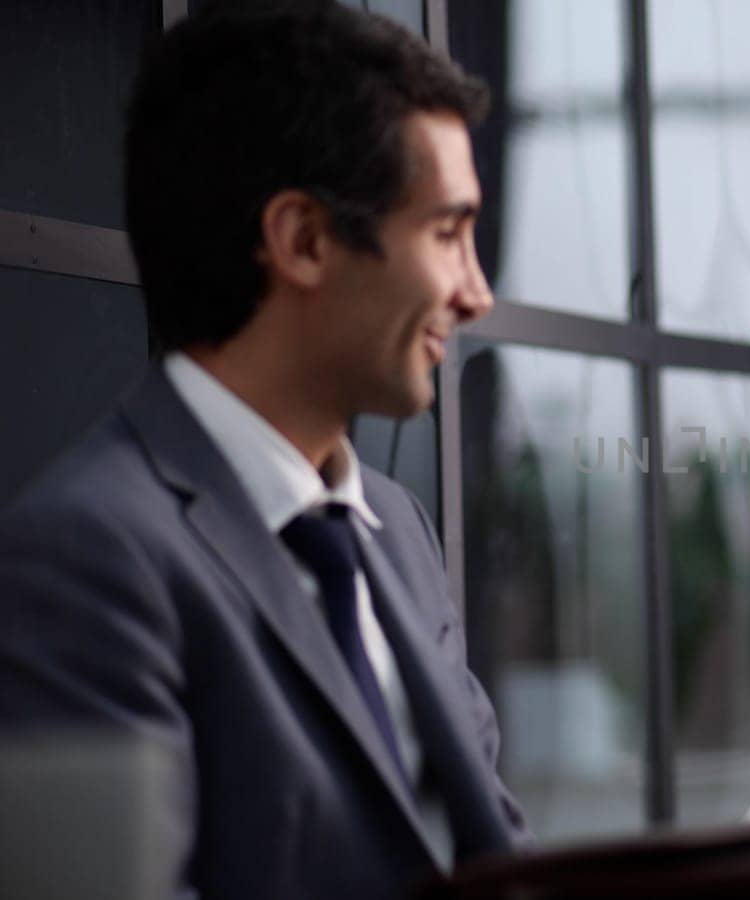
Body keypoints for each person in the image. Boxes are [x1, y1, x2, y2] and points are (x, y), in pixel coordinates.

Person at [0, 2, 527, 896]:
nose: (477, 291)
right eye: (447, 233)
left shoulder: (396, 531)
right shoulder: (79, 562)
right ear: (304, 241)